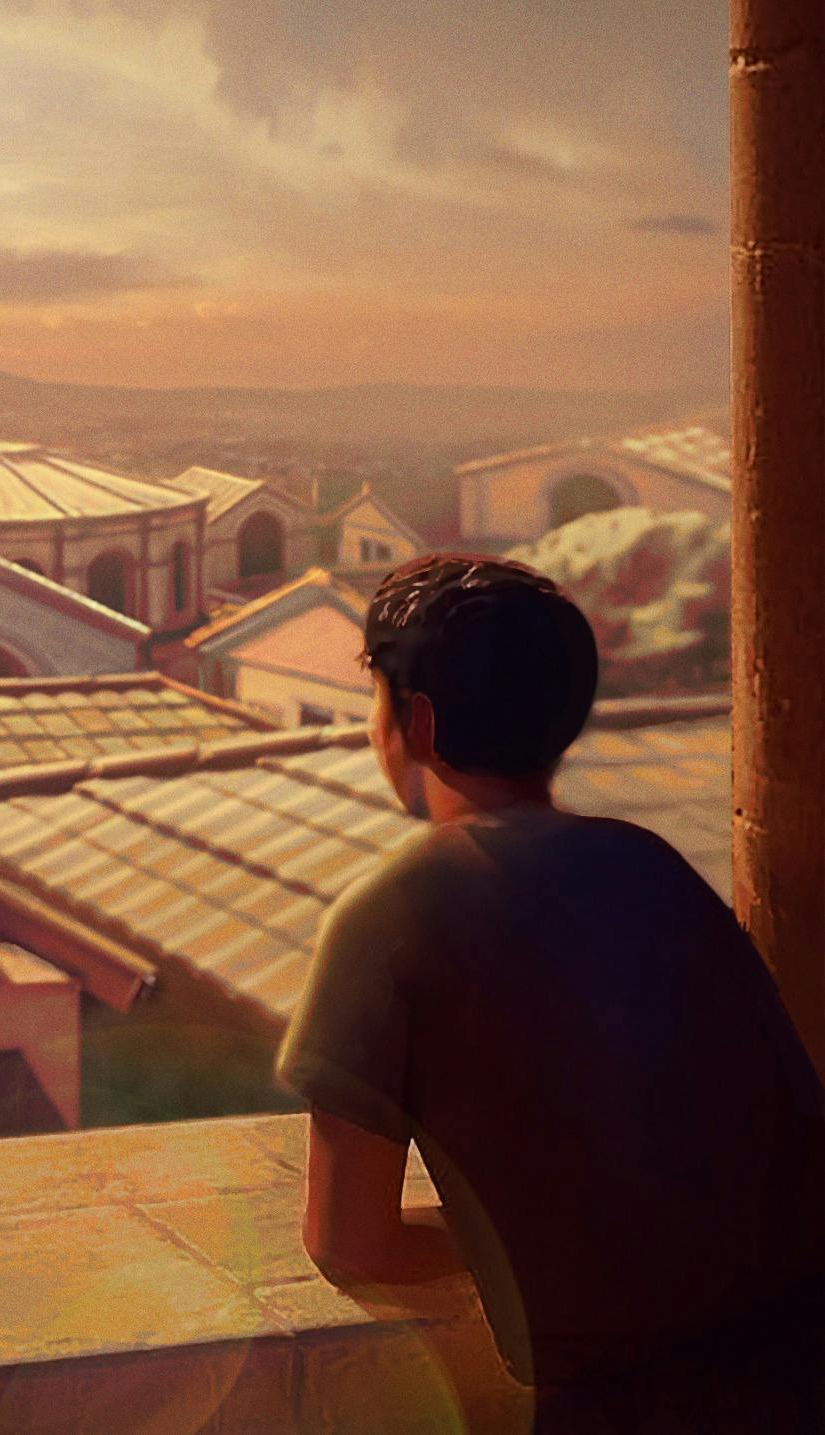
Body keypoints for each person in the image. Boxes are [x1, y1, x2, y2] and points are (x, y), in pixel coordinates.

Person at [276, 554, 825, 1433]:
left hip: (616, 1403)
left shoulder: (391, 914)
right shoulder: (652, 867)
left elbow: (349, 1239)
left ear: (413, 723)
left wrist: (530, 1233)